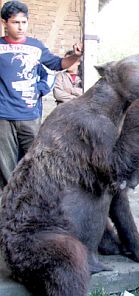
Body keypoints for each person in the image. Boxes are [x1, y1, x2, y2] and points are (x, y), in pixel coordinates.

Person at [0, 0, 83, 190]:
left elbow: (58, 64)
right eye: (15, 22)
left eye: (24, 22)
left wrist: (76, 56)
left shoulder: (36, 47)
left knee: (34, 166)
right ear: (5, 23)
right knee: (6, 171)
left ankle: (31, 210)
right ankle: (7, 212)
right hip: (3, 118)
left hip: (30, 117)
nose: (21, 27)